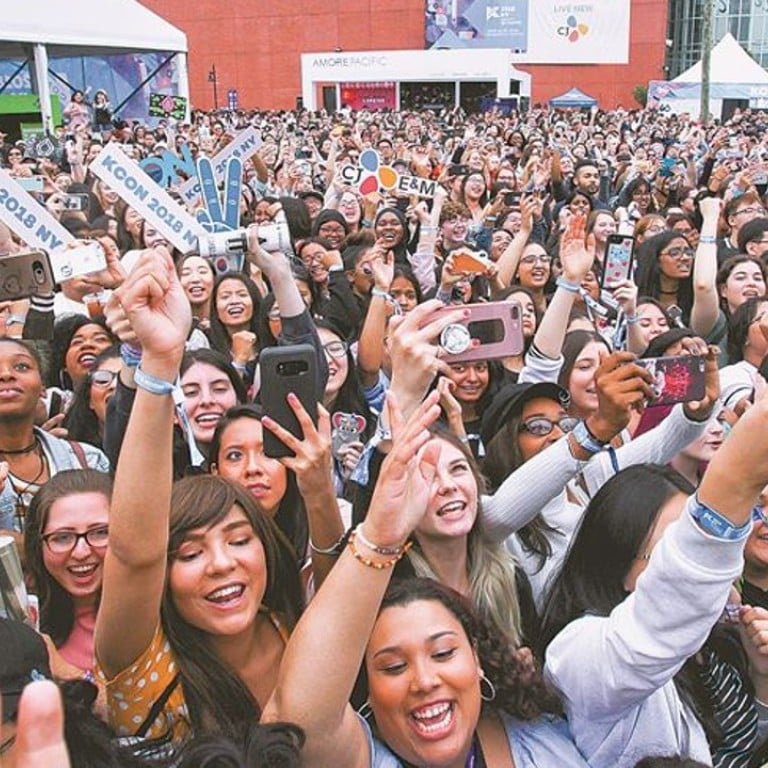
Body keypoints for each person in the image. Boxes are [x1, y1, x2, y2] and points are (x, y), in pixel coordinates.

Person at [263, 392, 589, 767]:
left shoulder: (546, 749)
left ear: (479, 661)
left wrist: (520, 678)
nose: (424, 681)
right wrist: (379, 536)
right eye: (394, 667)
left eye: (444, 653)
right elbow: (303, 719)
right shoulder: (382, 591)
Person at [95, 246, 302, 748]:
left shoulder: (295, 628)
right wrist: (163, 360)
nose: (220, 564)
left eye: (238, 540)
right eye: (188, 553)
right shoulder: (142, 663)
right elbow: (133, 551)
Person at [539, 403, 768, 767]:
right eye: (669, 551)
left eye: (687, 542)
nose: (684, 560)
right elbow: (651, 633)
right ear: (618, 563)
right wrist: (734, 482)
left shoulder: (717, 643)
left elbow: (740, 749)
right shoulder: (579, 653)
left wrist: (762, 681)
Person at [0, 339, 109, 535]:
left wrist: (26, 548)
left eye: (21, 366)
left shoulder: (88, 458)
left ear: (43, 386)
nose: (6, 375)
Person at [23, 470, 111, 683]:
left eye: (100, 532)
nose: (81, 552)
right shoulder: (24, 616)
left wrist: (70, 674)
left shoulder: (155, 612)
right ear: (39, 545)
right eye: (62, 537)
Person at [62, 345, 120, 450]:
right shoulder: (71, 453)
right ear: (90, 400)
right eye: (102, 379)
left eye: (125, 379)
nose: (114, 386)